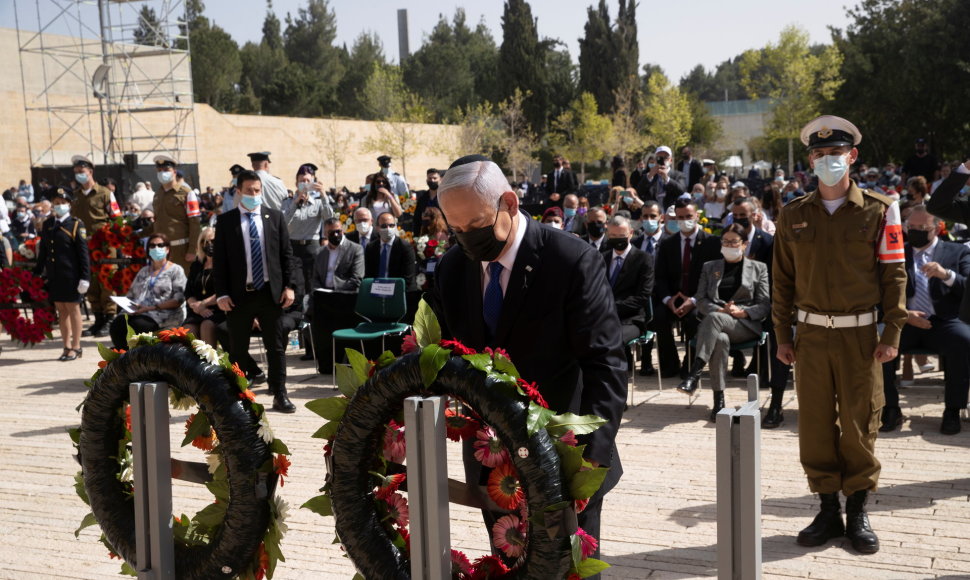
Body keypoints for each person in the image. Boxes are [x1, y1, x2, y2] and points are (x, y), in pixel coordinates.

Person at [430, 155, 626, 571]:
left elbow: (605, 367)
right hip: (493, 462)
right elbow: (442, 354)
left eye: (477, 227)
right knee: (510, 565)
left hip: (566, 457)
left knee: (567, 570)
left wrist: (587, 464)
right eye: (457, 229)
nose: (467, 239)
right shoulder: (452, 268)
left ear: (510, 204)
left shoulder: (570, 261)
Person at [773, 115, 907, 555]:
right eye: (820, 154)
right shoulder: (793, 213)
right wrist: (782, 336)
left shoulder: (880, 208)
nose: (828, 160)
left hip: (862, 337)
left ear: (852, 156)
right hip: (811, 336)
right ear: (810, 160)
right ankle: (827, 507)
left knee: (859, 425)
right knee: (813, 426)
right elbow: (783, 283)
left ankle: (858, 510)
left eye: (836, 153)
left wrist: (892, 333)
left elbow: (895, 276)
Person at [879, 205, 970, 434]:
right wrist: (904, 314)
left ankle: (952, 410)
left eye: (923, 227)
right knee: (879, 341)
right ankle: (890, 407)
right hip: (905, 320)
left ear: (937, 227)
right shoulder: (898, 252)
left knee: (964, 341)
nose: (916, 231)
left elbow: (967, 288)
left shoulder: (957, 251)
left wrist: (947, 275)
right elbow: (881, 291)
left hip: (944, 320)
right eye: (911, 227)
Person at [214, 170, 297, 412]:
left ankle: (280, 393)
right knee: (238, 347)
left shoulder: (275, 217)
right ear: (238, 191)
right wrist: (221, 293)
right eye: (249, 190)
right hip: (240, 295)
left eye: (257, 190)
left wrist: (290, 287)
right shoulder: (226, 221)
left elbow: (286, 256)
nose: (254, 195)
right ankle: (239, 395)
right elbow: (220, 262)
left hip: (270, 293)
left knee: (276, 347)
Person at [677, 224, 771, 420]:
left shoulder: (759, 268)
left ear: (744, 244)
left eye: (734, 242)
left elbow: (764, 304)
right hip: (717, 323)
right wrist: (721, 309)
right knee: (720, 339)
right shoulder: (710, 267)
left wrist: (742, 312)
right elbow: (701, 300)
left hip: (744, 324)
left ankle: (694, 373)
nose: (729, 245)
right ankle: (719, 400)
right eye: (725, 242)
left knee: (713, 320)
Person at [653, 197, 723, 377]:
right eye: (680, 217)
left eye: (688, 216)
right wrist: (668, 299)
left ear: (697, 216)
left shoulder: (712, 242)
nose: (684, 221)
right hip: (674, 298)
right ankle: (669, 364)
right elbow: (659, 276)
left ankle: (690, 364)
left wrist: (693, 300)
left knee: (694, 319)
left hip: (699, 298)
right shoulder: (668, 244)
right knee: (659, 316)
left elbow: (716, 278)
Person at [34, 190, 90, 361]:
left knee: (73, 310)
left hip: (71, 275)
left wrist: (85, 278)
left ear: (69, 204)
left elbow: (83, 254)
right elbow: (43, 251)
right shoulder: (48, 223)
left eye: (62, 202)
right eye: (55, 202)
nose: (58, 205)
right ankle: (66, 346)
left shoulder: (75, 224)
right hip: (55, 275)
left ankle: (76, 346)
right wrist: (36, 273)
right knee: (61, 310)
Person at [70, 155, 122, 337]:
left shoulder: (105, 193)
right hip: (83, 246)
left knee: (107, 281)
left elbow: (117, 219)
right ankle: (98, 318)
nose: (79, 176)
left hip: (104, 244)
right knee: (90, 281)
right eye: (76, 173)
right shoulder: (75, 197)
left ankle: (110, 318)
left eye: (81, 172)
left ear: (90, 172)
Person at [108, 233, 187, 349]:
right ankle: (124, 357)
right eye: (152, 246)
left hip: (163, 313)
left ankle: (138, 358)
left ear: (167, 249)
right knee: (117, 325)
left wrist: (151, 308)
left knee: (138, 326)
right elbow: (131, 295)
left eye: (160, 245)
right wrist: (130, 306)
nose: (156, 248)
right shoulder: (144, 271)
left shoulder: (176, 270)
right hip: (139, 311)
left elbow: (178, 300)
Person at [603, 214, 654, 371]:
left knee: (613, 340)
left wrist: (611, 308)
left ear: (631, 234)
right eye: (613, 236)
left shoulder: (643, 259)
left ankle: (617, 377)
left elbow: (642, 296)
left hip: (631, 319)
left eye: (622, 236)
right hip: (603, 316)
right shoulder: (601, 258)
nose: (617, 239)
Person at [142, 155, 202, 274]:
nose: (162, 173)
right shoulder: (157, 194)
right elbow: (157, 222)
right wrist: (138, 234)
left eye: (166, 170)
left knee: (182, 286)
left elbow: (195, 223)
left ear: (174, 172)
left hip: (181, 249)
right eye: (159, 170)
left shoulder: (186, 193)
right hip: (161, 250)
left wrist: (193, 250)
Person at [284, 163, 334, 296]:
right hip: (293, 247)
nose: (305, 184)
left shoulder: (318, 201)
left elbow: (329, 218)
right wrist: (295, 203)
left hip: (312, 246)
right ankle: (297, 313)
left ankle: (312, 313)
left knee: (313, 283)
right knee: (295, 283)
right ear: (296, 183)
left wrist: (323, 195)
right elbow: (283, 223)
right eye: (302, 181)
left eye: (308, 181)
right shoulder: (288, 202)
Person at [183, 228, 225, 347]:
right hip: (197, 310)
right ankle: (192, 365)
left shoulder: (225, 264)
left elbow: (224, 290)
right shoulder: (197, 264)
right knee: (188, 330)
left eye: (213, 241)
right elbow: (188, 292)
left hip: (218, 309)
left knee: (206, 326)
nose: (209, 245)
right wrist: (198, 306)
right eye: (205, 242)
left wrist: (203, 304)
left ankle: (210, 364)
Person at [364, 212, 417, 290]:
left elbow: (408, 278)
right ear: (377, 228)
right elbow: (368, 275)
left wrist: (388, 290)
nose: (388, 229)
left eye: (391, 225)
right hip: (376, 290)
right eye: (384, 226)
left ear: (395, 226)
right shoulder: (371, 247)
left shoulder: (405, 247)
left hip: (399, 290)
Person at [412, 168, 441, 233]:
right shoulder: (422, 198)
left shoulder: (444, 196)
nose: (432, 180)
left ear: (440, 179)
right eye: (430, 178)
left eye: (435, 178)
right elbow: (417, 218)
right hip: (426, 232)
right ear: (427, 180)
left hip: (442, 232)